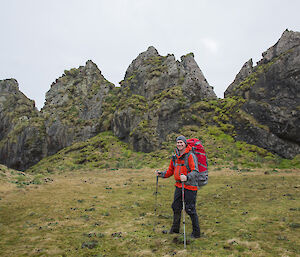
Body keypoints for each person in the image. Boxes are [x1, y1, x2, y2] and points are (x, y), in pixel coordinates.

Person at [156, 135, 201, 238]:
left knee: (190, 209)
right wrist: (161, 174)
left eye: (181, 142)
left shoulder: (190, 156)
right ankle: (175, 229)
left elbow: (195, 171)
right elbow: (170, 171)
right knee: (176, 207)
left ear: (185, 144)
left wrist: (187, 177)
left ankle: (196, 233)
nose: (179, 144)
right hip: (179, 186)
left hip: (190, 187)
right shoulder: (175, 157)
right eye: (178, 142)